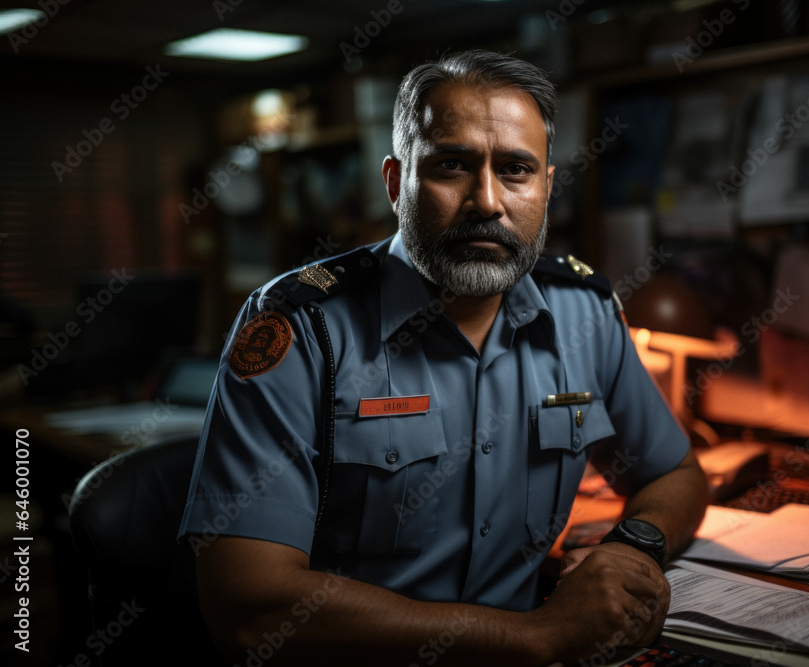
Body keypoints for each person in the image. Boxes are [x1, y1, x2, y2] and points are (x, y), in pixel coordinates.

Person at [179, 49, 707, 666]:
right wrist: (537, 637)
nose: (487, 200)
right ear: (395, 182)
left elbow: (675, 474)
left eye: (516, 170)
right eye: (452, 166)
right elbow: (248, 610)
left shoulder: (583, 312)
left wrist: (633, 546)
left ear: (547, 187)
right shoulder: (301, 326)